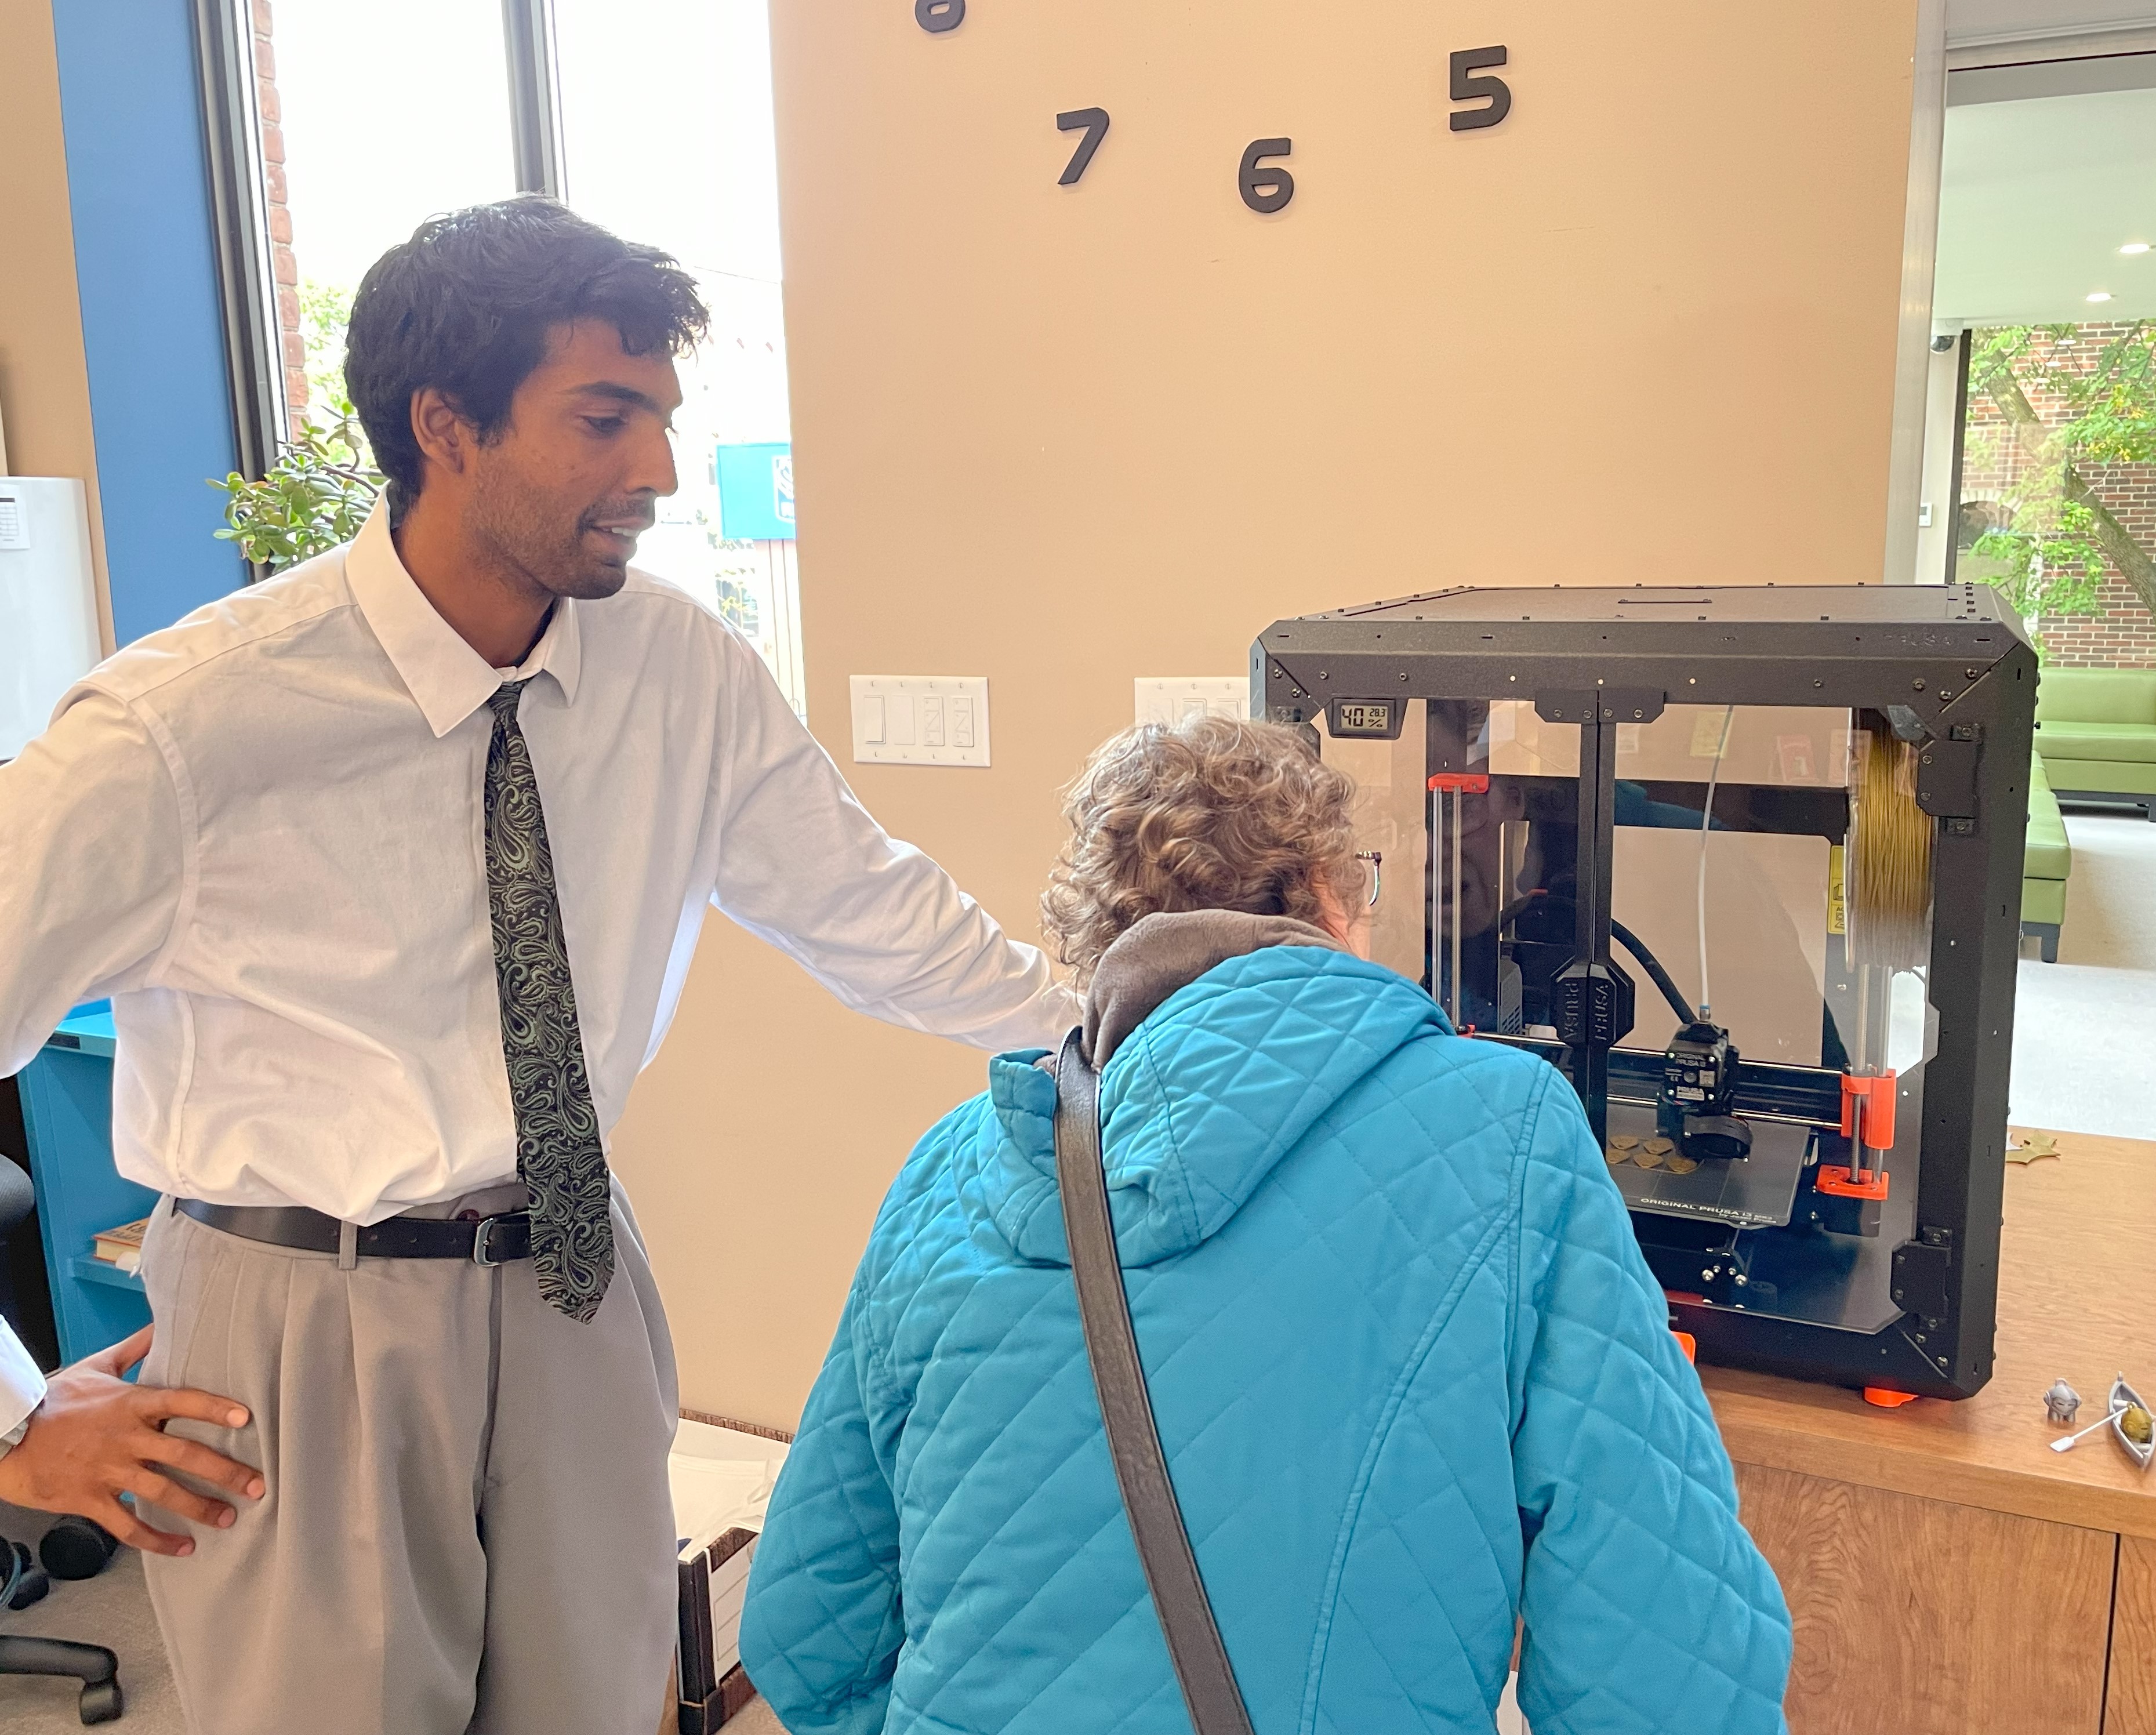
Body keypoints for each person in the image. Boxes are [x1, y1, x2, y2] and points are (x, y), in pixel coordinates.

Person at [0, 197, 1072, 1734]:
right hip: (302, 1325)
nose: (659, 473)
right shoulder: (188, 725)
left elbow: (882, 917)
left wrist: (1132, 1030)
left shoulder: (677, 670)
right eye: (606, 419)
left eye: (661, 420)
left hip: (577, 1282)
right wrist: (20, 1422)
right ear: (447, 423)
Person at [739, 714, 1791, 1734]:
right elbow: (1662, 1656)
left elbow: (804, 1632)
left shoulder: (951, 1165)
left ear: (1101, 933)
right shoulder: (1508, 1127)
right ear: (1330, 894)